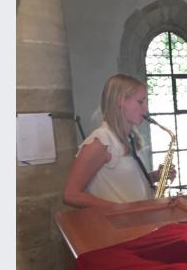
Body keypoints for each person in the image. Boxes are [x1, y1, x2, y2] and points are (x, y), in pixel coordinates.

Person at [63, 74, 176, 208]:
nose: (146, 108)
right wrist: (119, 210)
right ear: (120, 101)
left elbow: (125, 184)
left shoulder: (129, 138)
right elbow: (71, 195)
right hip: (119, 225)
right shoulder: (100, 141)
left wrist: (156, 176)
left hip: (139, 221)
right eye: (140, 101)